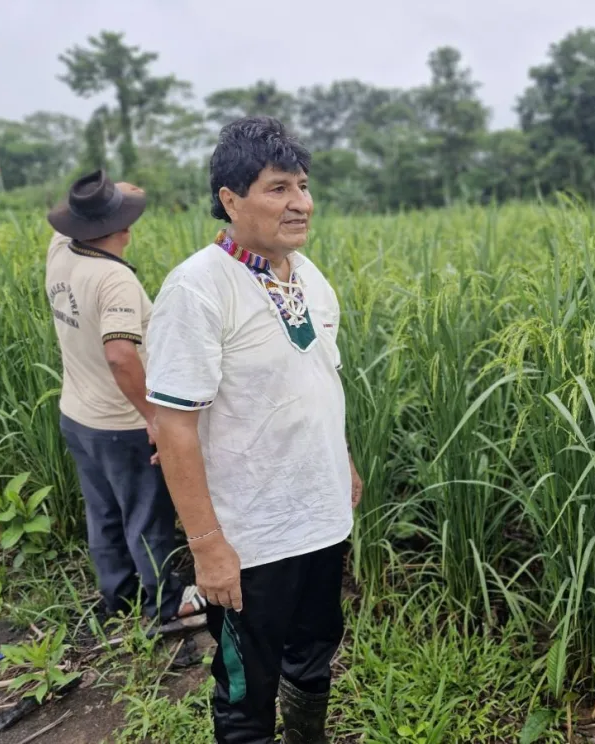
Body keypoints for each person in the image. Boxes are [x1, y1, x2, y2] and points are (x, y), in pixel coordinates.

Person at [145, 116, 363, 744]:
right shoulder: (198, 288)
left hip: (319, 518)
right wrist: (209, 546)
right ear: (231, 200)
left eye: (302, 185)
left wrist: (341, 461)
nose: (300, 203)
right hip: (252, 538)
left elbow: (322, 380)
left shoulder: (310, 277)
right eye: (277, 188)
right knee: (247, 685)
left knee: (315, 650)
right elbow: (175, 427)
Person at [44, 170, 205, 624]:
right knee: (147, 518)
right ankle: (167, 605)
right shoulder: (113, 279)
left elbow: (95, 209)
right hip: (122, 424)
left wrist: (100, 201)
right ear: (123, 229)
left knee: (104, 513)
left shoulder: (60, 251)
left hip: (77, 414)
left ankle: (118, 595)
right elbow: (120, 355)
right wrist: (153, 417)